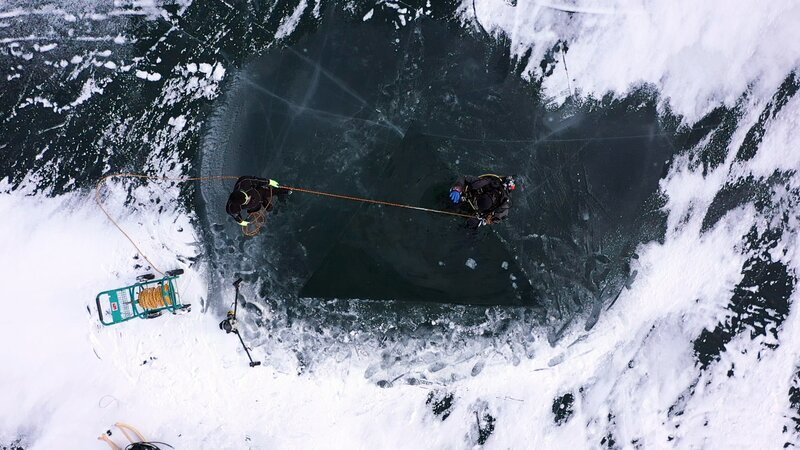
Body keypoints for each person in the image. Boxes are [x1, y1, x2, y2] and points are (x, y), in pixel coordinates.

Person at [449, 174, 515, 227]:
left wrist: (486, 219)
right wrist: (457, 189)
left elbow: (494, 220)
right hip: (466, 199)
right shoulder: (484, 183)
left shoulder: (502, 207)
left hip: (477, 215)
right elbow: (463, 177)